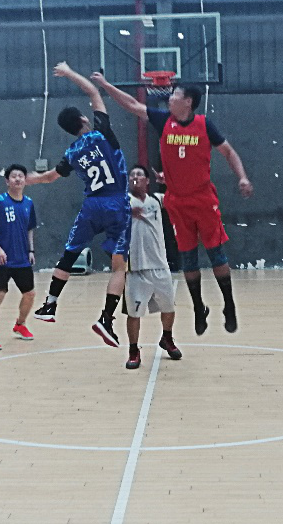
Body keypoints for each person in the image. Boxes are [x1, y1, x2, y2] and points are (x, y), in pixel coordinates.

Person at [92, 72, 253, 335]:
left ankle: (229, 304)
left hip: (203, 199)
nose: (170, 97)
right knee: (188, 259)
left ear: (188, 101)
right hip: (177, 201)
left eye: (176, 94)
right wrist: (107, 85)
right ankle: (199, 307)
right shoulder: (163, 120)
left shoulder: (204, 125)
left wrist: (242, 177)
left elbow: (229, 152)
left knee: (216, 254)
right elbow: (131, 105)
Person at [27, 62, 131, 348]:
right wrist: (70, 72)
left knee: (69, 255)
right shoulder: (102, 134)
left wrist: (30, 180)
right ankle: (106, 320)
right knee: (118, 267)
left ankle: (50, 304)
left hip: (91, 206)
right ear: (84, 118)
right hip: (117, 203)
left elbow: (50, 177)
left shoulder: (72, 153)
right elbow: (94, 93)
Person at [125, 165, 183, 370]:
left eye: (139, 174)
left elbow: (180, 197)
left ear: (147, 180)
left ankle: (167, 337)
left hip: (159, 265)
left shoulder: (157, 200)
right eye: (132, 174)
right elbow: (108, 213)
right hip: (136, 267)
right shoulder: (122, 202)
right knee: (134, 313)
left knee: (169, 308)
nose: (135, 177)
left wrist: (169, 183)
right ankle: (133, 350)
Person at [0, 165, 38, 350]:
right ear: (7, 181)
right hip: (2, 259)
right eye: (14, 176)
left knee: (29, 294)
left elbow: (30, 229)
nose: (18, 179)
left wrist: (31, 250)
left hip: (22, 258)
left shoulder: (29, 203)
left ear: (25, 181)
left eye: (21, 176)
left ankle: (20, 324)